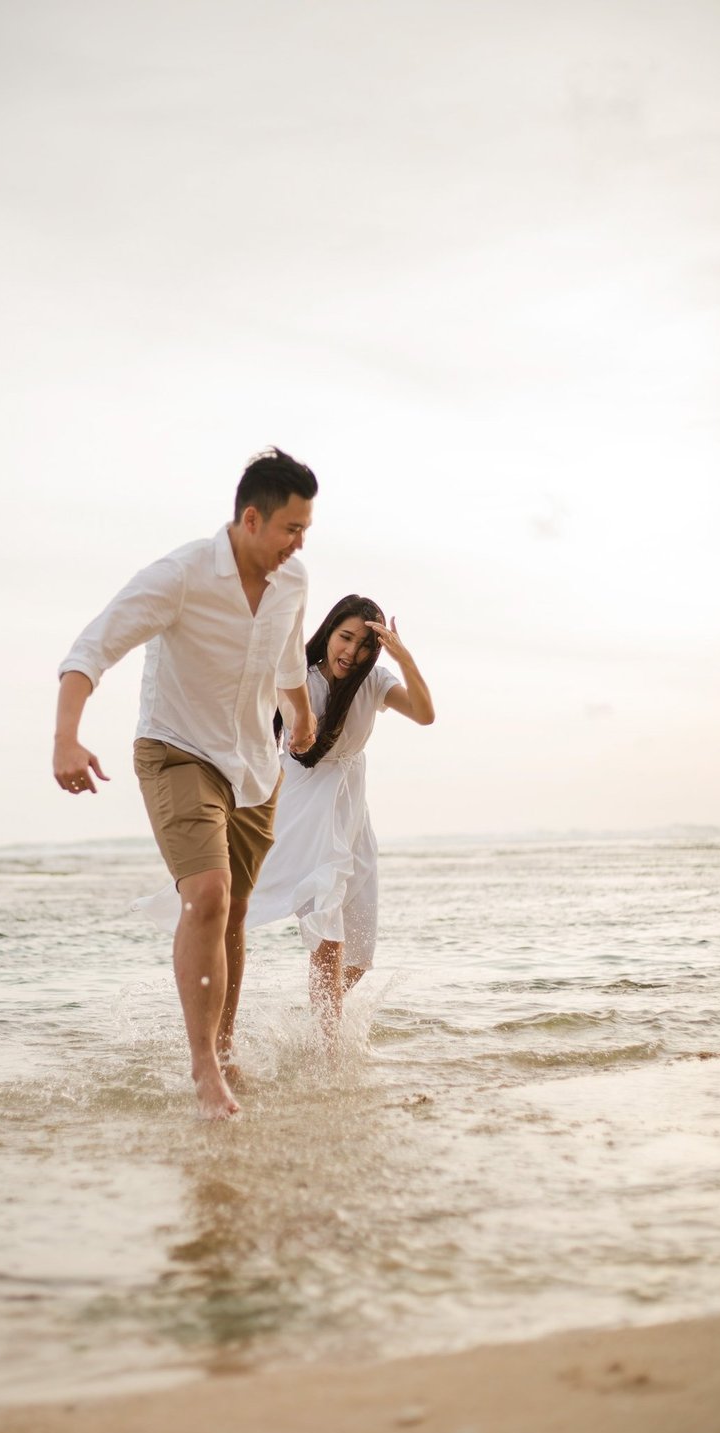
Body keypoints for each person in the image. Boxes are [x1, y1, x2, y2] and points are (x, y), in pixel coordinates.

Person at [53, 448, 320, 1119]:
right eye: (291, 529)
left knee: (229, 913)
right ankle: (204, 1070)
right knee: (206, 893)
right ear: (251, 519)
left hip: (256, 767)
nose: (299, 543)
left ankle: (223, 1051)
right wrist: (66, 737)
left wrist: (305, 716)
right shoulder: (180, 576)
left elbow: (287, 656)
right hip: (176, 751)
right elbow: (92, 648)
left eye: (306, 531)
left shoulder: (292, 583)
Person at [246, 594, 435, 1030]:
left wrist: (403, 657)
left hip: (351, 805)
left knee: (359, 954)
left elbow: (425, 715)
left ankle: (314, 1022)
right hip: (304, 802)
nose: (352, 652)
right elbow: (294, 729)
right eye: (345, 637)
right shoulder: (298, 678)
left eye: (364, 645)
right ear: (329, 633)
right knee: (328, 933)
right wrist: (299, 731)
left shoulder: (377, 681)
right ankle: (326, 1054)